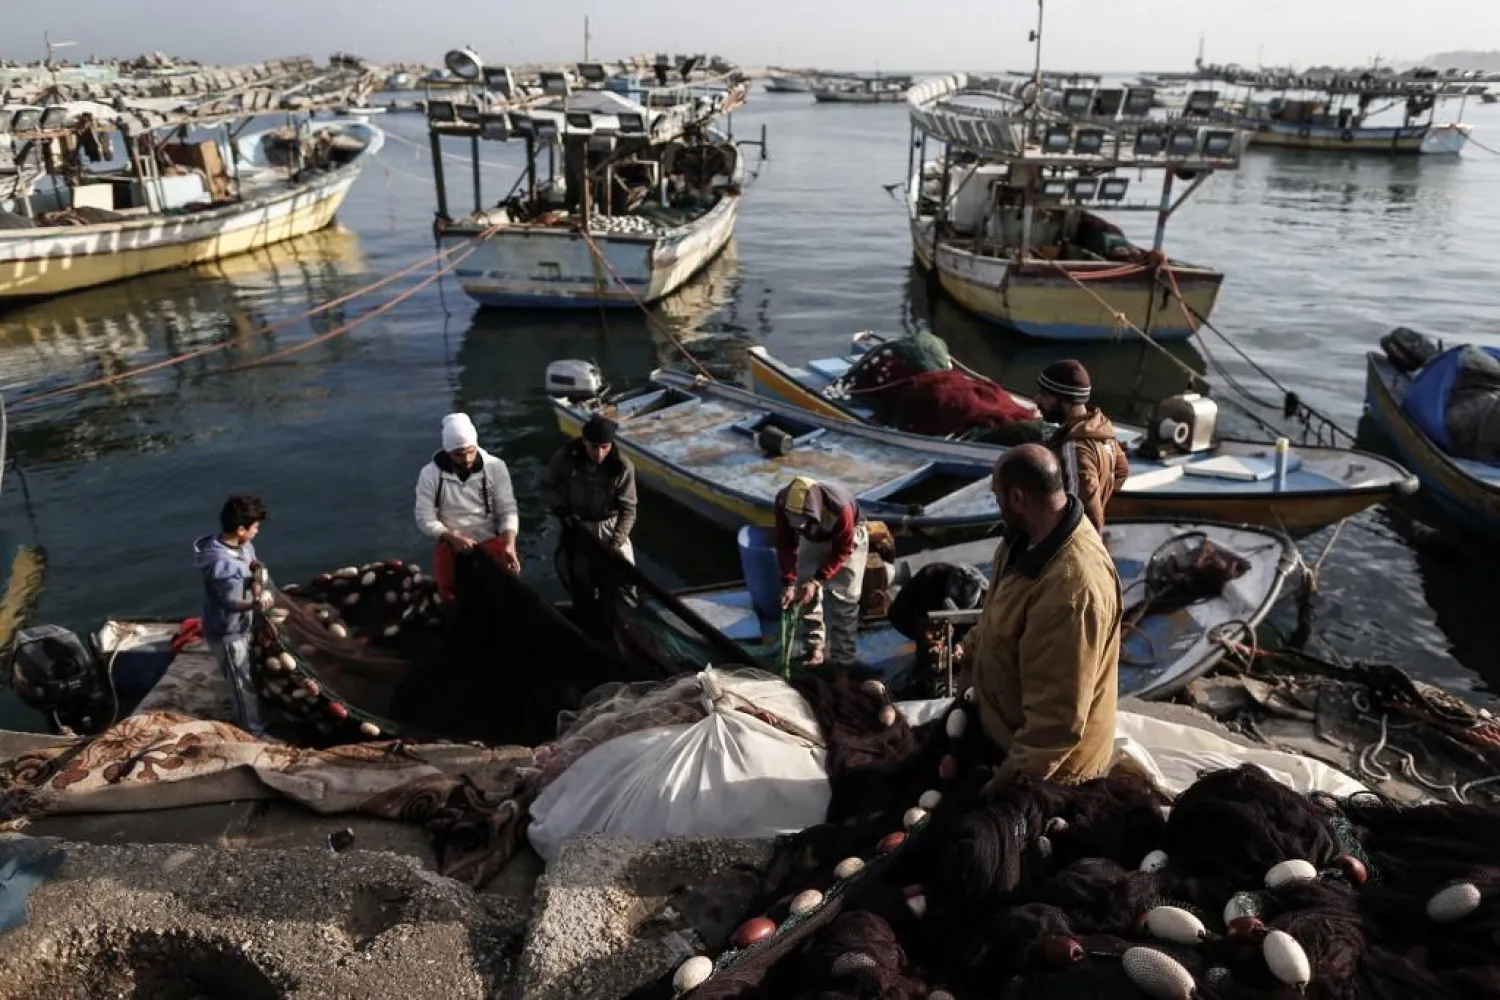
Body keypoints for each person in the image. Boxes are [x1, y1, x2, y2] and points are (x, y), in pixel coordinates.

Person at [960, 444, 1122, 786]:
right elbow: (998, 612)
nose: (996, 504)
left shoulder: (1070, 593)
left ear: (1018, 497)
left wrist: (1000, 789)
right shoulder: (1021, 541)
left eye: (997, 496)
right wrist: (971, 648)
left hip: (1052, 772)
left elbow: (1054, 727)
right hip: (1004, 734)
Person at [414, 412, 521, 601]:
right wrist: (453, 538)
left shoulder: (496, 467)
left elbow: (507, 509)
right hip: (451, 545)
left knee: (503, 595)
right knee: (452, 596)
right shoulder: (430, 475)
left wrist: (510, 543)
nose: (467, 459)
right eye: (459, 454)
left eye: (471, 451)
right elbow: (425, 518)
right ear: (448, 451)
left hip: (491, 541)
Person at [193, 494, 275, 737]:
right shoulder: (222, 566)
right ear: (241, 529)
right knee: (242, 684)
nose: (257, 531)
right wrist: (255, 603)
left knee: (248, 675)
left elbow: (254, 568)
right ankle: (253, 733)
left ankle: (255, 716)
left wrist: (259, 587)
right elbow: (231, 602)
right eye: (255, 527)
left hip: (243, 625)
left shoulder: (242, 544)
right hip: (228, 633)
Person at [773, 475, 869, 669]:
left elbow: (843, 550)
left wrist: (818, 580)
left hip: (848, 539)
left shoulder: (840, 508)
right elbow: (785, 543)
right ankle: (814, 647)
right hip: (813, 537)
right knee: (803, 593)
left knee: (846, 600)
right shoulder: (782, 502)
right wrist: (789, 582)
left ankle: (843, 661)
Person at [1035, 359, 1130, 530]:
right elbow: (1121, 471)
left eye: (1044, 394)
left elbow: (1084, 515)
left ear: (1063, 399)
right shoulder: (1102, 432)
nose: (1037, 399)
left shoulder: (1075, 448)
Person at [544, 414, 638, 563]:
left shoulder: (622, 467)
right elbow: (548, 486)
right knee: (580, 573)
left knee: (623, 579)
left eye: (604, 447)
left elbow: (628, 510)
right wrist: (561, 511)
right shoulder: (567, 457)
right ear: (584, 442)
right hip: (574, 524)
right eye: (594, 446)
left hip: (608, 527)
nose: (599, 453)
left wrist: (616, 542)